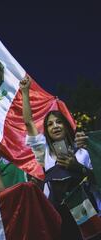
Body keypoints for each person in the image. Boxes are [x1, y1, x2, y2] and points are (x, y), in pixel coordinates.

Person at [20, 76, 99, 239]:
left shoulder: (83, 150)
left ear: (66, 125)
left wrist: (77, 168)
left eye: (58, 122)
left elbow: (97, 180)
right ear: (46, 131)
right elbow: (28, 122)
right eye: (49, 124)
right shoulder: (45, 153)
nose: (55, 126)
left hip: (86, 211)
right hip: (58, 214)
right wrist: (25, 92)